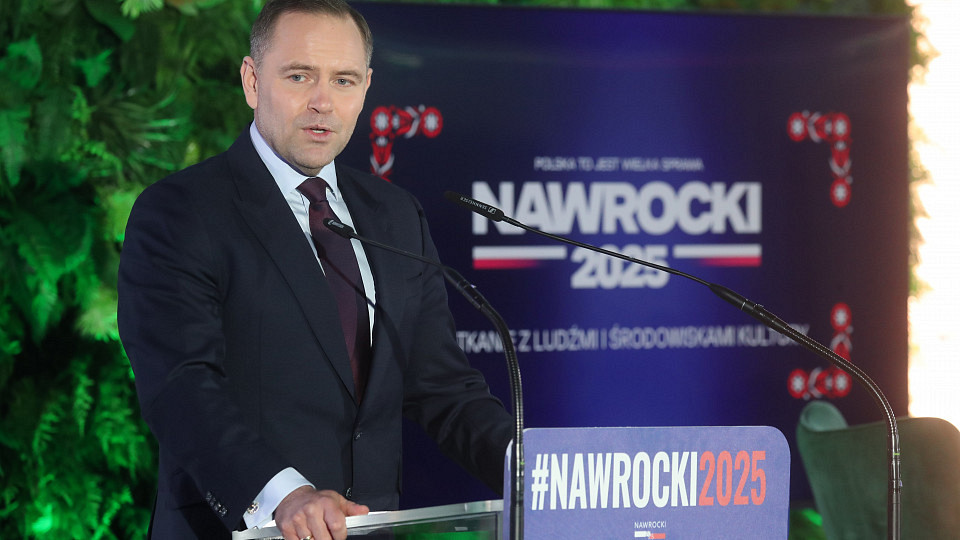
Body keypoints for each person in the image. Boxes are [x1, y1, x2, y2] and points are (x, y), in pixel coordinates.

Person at [116, 1, 514, 538]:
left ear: (365, 89)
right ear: (252, 81)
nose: (323, 102)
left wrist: (533, 471)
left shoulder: (395, 215)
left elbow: (442, 387)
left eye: (343, 80)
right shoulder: (181, 212)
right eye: (299, 76)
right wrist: (283, 494)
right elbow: (181, 386)